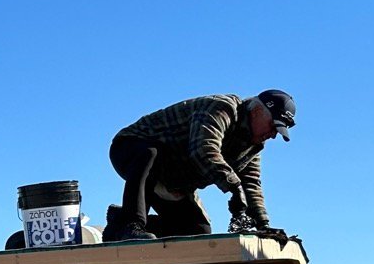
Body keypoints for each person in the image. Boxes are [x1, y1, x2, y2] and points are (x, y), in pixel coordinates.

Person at [104, 90, 295, 242]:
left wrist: (263, 223)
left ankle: (118, 223)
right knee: (150, 154)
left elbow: (251, 183)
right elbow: (203, 150)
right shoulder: (223, 108)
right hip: (131, 149)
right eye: (272, 126)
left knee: (197, 230)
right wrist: (233, 187)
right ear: (257, 111)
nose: (272, 135)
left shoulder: (253, 145)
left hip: (172, 178)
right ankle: (132, 223)